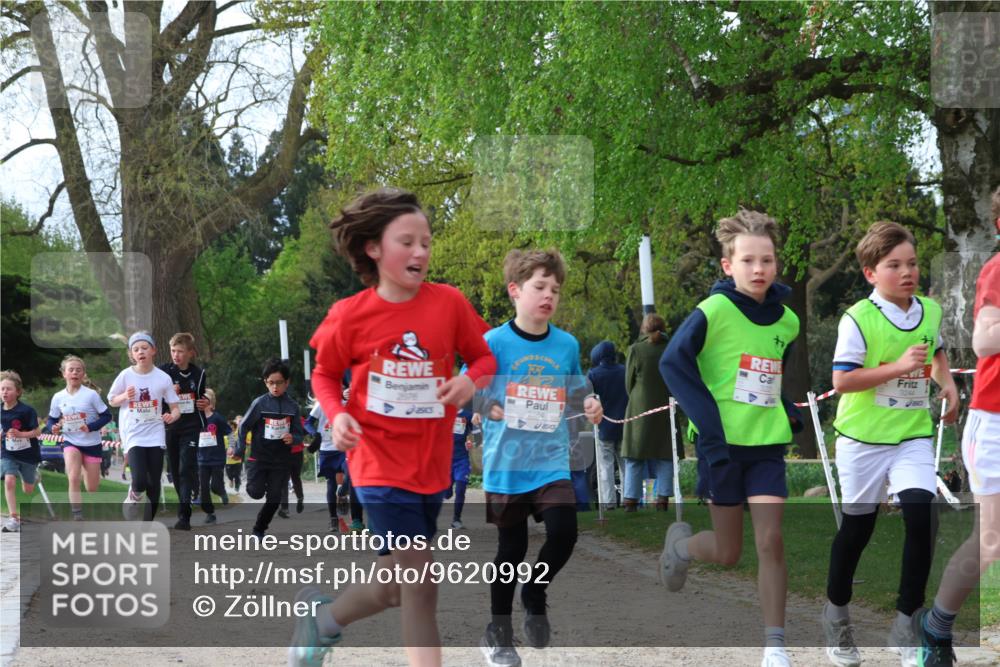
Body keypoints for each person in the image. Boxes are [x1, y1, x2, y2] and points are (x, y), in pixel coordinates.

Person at [288, 187, 497, 667]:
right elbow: (324, 374)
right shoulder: (350, 315)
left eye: (426, 242)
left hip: (430, 467)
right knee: (421, 584)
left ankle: (323, 620)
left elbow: (485, 357)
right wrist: (337, 412)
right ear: (374, 248)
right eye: (407, 242)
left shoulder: (449, 303)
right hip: (377, 465)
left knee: (393, 588)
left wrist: (469, 380)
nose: (420, 252)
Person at [659, 210, 803, 667]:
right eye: (747, 260)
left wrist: (784, 407)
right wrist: (708, 424)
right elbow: (671, 363)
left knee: (770, 540)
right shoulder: (713, 311)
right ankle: (680, 547)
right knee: (727, 552)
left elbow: (772, 372)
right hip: (720, 450)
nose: (759, 269)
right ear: (728, 265)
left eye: (767, 260)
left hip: (766, 447)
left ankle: (775, 647)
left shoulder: (788, 321)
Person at [818, 221, 959, 667]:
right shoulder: (858, 318)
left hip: (911, 435)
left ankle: (905, 624)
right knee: (857, 531)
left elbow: (936, 351)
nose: (907, 272)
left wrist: (948, 384)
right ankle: (836, 617)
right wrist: (897, 366)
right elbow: (842, 380)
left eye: (912, 263)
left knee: (922, 516)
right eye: (894, 265)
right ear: (870, 274)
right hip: (862, 440)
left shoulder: (929, 311)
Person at [478, 249, 603, 667]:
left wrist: (591, 403)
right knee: (510, 551)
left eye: (556, 289)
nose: (549, 295)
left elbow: (578, 389)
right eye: (540, 287)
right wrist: (488, 404)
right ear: (515, 291)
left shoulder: (566, 344)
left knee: (564, 532)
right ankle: (498, 634)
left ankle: (534, 592)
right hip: (507, 464)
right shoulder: (493, 343)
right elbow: (468, 389)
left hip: (550, 460)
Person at [911, 191, 1000, 667]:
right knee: (992, 540)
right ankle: (936, 626)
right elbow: (984, 340)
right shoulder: (997, 270)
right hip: (995, 423)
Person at [109, 332, 181, 522]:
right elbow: (112, 400)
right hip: (133, 433)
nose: (140, 352)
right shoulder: (126, 375)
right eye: (136, 349)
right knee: (140, 480)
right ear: (132, 354)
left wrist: (171, 416)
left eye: (144, 348)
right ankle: (133, 496)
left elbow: (176, 408)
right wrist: (125, 396)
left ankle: (147, 524)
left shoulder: (163, 378)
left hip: (155, 432)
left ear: (153, 350)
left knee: (154, 482)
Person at [230, 359, 305, 539]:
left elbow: (299, 434)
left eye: (279, 383)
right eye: (271, 383)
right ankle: (257, 483)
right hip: (259, 458)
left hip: (281, 460)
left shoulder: (293, 407)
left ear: (287, 382)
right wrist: (240, 450)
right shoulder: (260, 404)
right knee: (255, 493)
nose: (275, 387)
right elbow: (243, 426)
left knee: (274, 499)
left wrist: (293, 438)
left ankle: (259, 529)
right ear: (265, 382)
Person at [622, 314, 679, 512]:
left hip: (640, 406)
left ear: (644, 329)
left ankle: (630, 500)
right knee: (665, 453)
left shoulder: (636, 349)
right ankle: (662, 499)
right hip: (666, 405)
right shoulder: (671, 348)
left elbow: (628, 382)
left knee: (634, 454)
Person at [47, 355, 112, 520]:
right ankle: (77, 515)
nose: (75, 373)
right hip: (71, 441)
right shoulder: (58, 397)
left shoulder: (91, 395)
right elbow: (52, 419)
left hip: (92, 444)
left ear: (83, 374)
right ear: (64, 374)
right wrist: (53, 427)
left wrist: (90, 427)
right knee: (73, 477)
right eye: (71, 370)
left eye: (78, 370)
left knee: (91, 488)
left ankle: (84, 468)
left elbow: (107, 416)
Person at [159, 332, 208, 530]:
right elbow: (155, 396)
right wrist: (169, 393)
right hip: (170, 426)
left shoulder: (199, 374)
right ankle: (187, 498)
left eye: (180, 351)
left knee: (185, 468)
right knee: (175, 470)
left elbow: (201, 397)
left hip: (191, 426)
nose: (176, 355)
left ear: (190, 353)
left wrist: (205, 402)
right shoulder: (163, 372)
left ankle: (184, 517)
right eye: (173, 351)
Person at [587, 340, 626, 510]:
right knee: (626, 465)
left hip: (603, 426)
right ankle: (628, 499)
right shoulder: (624, 371)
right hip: (625, 425)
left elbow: (587, 397)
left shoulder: (593, 374)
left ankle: (608, 502)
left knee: (605, 466)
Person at [1, 370, 42, 532]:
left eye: (8, 389)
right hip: (8, 452)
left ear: (18, 392)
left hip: (28, 454)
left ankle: (34, 477)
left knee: (28, 489)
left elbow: (37, 432)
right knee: (9, 480)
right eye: (2, 389)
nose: (4, 392)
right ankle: (13, 518)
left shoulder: (27, 411)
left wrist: (21, 434)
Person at [197, 388, 231, 525]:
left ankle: (221, 491)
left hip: (217, 458)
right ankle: (210, 513)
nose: (202, 402)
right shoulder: (196, 419)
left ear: (210, 403)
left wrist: (232, 447)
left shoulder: (217, 418)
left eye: (205, 399)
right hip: (202, 459)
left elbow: (229, 433)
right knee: (203, 488)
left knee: (215, 486)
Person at [443, 407, 473, 529]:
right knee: (446, 493)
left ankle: (456, 520)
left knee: (461, 488)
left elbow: (477, 434)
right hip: (445, 460)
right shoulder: (441, 412)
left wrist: (471, 442)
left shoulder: (468, 415)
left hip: (462, 460)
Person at [225, 420, 242, 492]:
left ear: (235, 428)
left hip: (237, 459)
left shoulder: (238, 436)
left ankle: (237, 487)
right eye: (229, 427)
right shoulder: (224, 436)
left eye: (232, 427)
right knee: (229, 474)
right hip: (228, 460)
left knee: (237, 474)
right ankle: (231, 480)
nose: (231, 429)